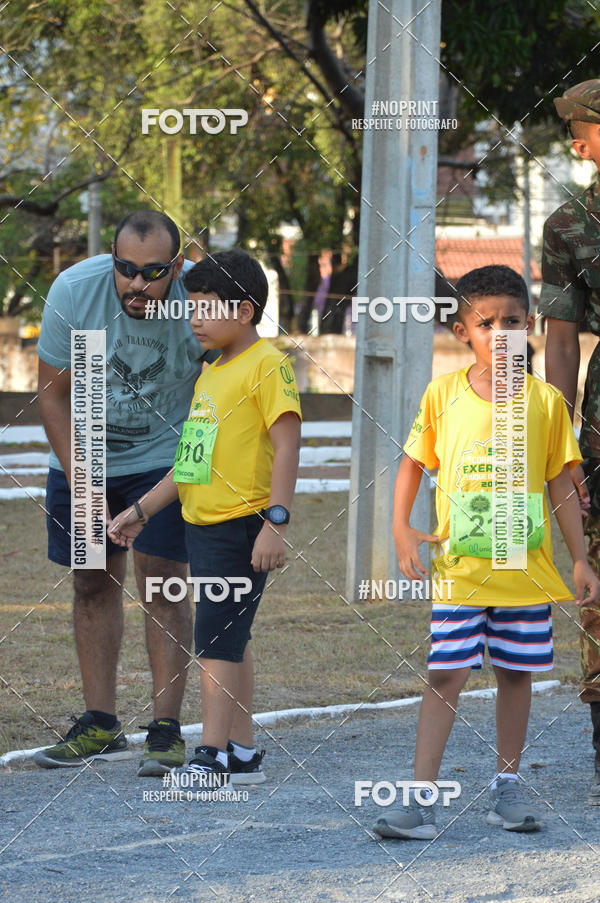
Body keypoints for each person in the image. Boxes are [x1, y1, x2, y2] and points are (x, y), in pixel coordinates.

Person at [373, 265, 600, 840]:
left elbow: (561, 485)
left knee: (515, 675)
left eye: (513, 321)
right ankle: (421, 800)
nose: (501, 332)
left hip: (523, 573)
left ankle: (507, 787)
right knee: (444, 672)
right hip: (460, 573)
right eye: (486, 322)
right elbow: (412, 463)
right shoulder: (442, 394)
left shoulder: (547, 402)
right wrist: (400, 528)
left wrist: (579, 557)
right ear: (460, 330)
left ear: (530, 328)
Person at [107, 248, 301, 784]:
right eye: (189, 307)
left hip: (241, 524)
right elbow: (189, 464)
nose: (193, 319)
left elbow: (288, 447)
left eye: (206, 308)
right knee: (229, 639)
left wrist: (275, 523)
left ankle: (210, 757)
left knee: (214, 642)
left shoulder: (267, 366)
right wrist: (139, 510)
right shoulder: (211, 373)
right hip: (204, 525)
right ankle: (240, 754)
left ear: (243, 311)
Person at [35, 210, 218, 775]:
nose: (137, 284)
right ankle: (99, 722)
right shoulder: (75, 289)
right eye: (126, 269)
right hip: (86, 448)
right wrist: (82, 480)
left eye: (154, 271)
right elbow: (51, 394)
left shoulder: (199, 303)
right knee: (92, 583)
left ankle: (165, 730)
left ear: (179, 265)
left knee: (163, 582)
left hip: (164, 458)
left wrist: (183, 475)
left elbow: (218, 400)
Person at [539, 78, 600, 804]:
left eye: (582, 128)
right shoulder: (568, 223)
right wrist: (562, 443)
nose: (575, 143)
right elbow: (560, 341)